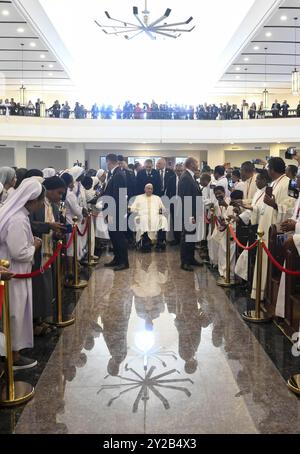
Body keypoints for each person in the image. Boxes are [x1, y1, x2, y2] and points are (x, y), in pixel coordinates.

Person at [0, 179, 44, 369]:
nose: (42, 204)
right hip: (14, 271)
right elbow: (19, 252)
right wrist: (34, 245)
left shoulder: (18, 214)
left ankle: (13, 351)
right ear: (32, 200)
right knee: (15, 313)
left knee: (15, 311)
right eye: (40, 200)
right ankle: (13, 355)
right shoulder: (17, 218)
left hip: (13, 269)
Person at [251, 157, 295, 300]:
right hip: (264, 230)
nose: (266, 170)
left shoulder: (287, 183)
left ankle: (266, 295)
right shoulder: (274, 183)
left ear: (272, 169)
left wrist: (274, 205)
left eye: (268, 167)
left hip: (274, 234)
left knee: (269, 265)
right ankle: (260, 292)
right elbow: (266, 207)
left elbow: (291, 210)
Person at [30, 176, 66, 335]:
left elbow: (54, 225)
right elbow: (30, 225)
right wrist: (49, 226)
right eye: (58, 193)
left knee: (46, 287)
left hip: (48, 250)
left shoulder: (53, 206)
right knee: (37, 287)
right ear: (49, 190)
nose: (60, 197)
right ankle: (33, 323)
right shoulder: (35, 205)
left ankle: (42, 319)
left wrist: (57, 233)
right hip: (35, 251)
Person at [103, 154, 129, 271]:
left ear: (109, 162)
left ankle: (123, 261)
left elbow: (118, 196)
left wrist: (111, 212)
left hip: (116, 211)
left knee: (119, 237)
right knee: (114, 236)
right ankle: (117, 258)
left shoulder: (118, 174)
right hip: (114, 210)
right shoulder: (115, 173)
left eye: (106, 162)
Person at [178, 157, 203, 271]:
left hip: (193, 211)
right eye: (196, 163)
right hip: (189, 212)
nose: (198, 165)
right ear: (192, 164)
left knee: (191, 236)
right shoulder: (186, 178)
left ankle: (191, 258)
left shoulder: (191, 176)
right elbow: (185, 198)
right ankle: (185, 262)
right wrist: (190, 215)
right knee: (187, 236)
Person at [130, 183, 168, 252]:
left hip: (155, 216)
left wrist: (162, 211)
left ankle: (160, 242)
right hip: (142, 216)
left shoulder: (157, 198)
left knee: (163, 219)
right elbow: (132, 208)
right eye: (148, 188)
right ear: (144, 189)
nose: (149, 190)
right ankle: (145, 242)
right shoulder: (139, 197)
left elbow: (163, 209)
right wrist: (137, 213)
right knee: (143, 220)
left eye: (151, 189)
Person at [166, 163, 184, 245]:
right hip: (174, 202)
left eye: (181, 171)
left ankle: (182, 239)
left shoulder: (185, 179)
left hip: (183, 203)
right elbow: (168, 191)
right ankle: (177, 239)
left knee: (182, 221)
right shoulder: (171, 179)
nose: (179, 172)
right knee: (175, 221)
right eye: (177, 171)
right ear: (175, 170)